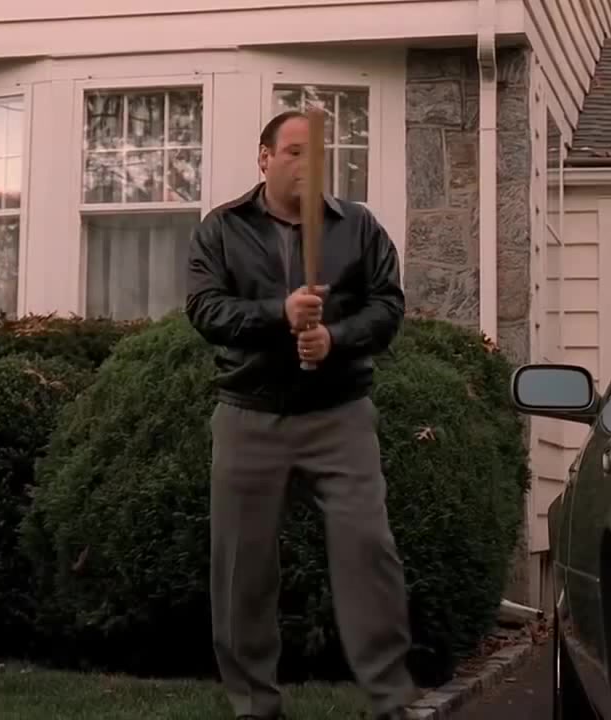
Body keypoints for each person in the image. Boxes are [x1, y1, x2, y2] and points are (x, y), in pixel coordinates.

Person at [184, 109, 417, 720]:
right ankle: (254, 705)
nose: (307, 164)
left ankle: (390, 698)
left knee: (369, 550)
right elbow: (206, 309)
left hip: (339, 415)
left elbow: (388, 307)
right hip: (249, 413)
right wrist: (278, 315)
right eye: (293, 152)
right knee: (243, 568)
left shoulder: (358, 226)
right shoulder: (222, 229)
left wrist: (335, 338)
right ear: (264, 158)